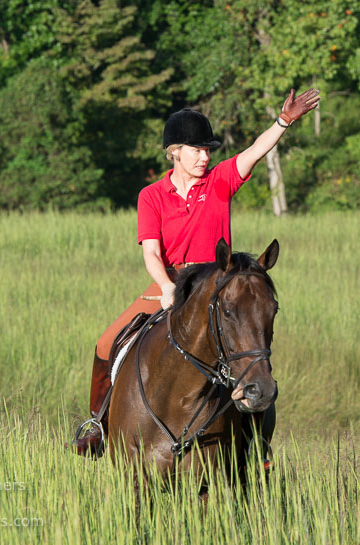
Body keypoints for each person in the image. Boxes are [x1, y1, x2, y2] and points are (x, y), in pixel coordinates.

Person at [70, 88, 321, 455]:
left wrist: (283, 122)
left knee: (250, 359)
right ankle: (96, 425)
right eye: (197, 150)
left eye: (207, 151)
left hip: (215, 285)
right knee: (107, 343)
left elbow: (252, 153)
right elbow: (152, 252)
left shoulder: (219, 183)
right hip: (170, 283)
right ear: (175, 153)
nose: (205, 157)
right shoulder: (151, 196)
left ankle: (256, 443)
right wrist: (166, 288)